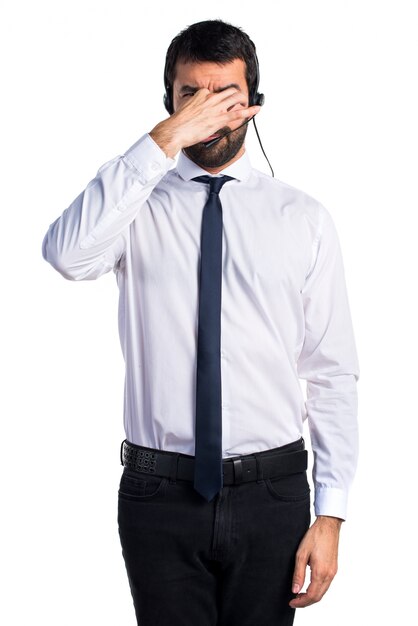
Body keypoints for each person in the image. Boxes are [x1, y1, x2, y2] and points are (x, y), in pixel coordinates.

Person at [42, 19, 359, 626]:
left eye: (226, 96)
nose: (210, 111)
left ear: (253, 105)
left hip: (274, 494)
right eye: (192, 95)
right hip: (158, 497)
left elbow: (331, 372)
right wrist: (162, 142)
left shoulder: (303, 218)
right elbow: (65, 255)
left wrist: (332, 514)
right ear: (169, 102)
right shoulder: (132, 208)